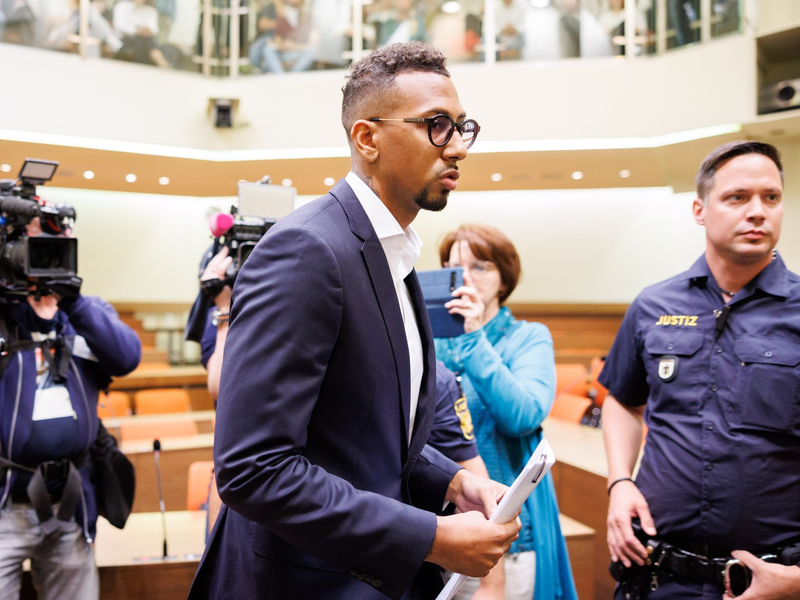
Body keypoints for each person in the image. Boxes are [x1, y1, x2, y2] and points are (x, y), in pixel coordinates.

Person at [187, 41, 519, 600]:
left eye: (463, 127)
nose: (458, 147)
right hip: (298, 584)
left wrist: (453, 479)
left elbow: (365, 434)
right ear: (367, 138)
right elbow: (253, 468)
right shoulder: (308, 249)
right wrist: (431, 536)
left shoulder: (395, 253)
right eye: (437, 126)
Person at [600, 140, 800, 599]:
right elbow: (622, 401)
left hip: (769, 582)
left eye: (771, 197)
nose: (758, 212)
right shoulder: (654, 304)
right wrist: (619, 481)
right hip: (657, 574)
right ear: (700, 209)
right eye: (737, 197)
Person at [0, 214, 141, 599]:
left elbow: (127, 357)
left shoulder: (82, 314)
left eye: (52, 245)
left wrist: (74, 303)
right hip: (4, 504)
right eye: (31, 245)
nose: (41, 256)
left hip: (70, 501)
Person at [434, 224, 579, 600]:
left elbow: (522, 416)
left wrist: (472, 336)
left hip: (508, 537)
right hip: (438, 532)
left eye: (479, 267)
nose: (465, 278)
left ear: (503, 279)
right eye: (452, 267)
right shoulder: (429, 342)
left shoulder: (527, 337)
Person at [112, 0, 171, 67]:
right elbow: (119, 26)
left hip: (144, 39)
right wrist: (137, 31)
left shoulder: (151, 11)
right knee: (143, 41)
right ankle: (162, 62)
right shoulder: (121, 6)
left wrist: (142, 31)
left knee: (143, 40)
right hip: (125, 39)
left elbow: (154, 31)